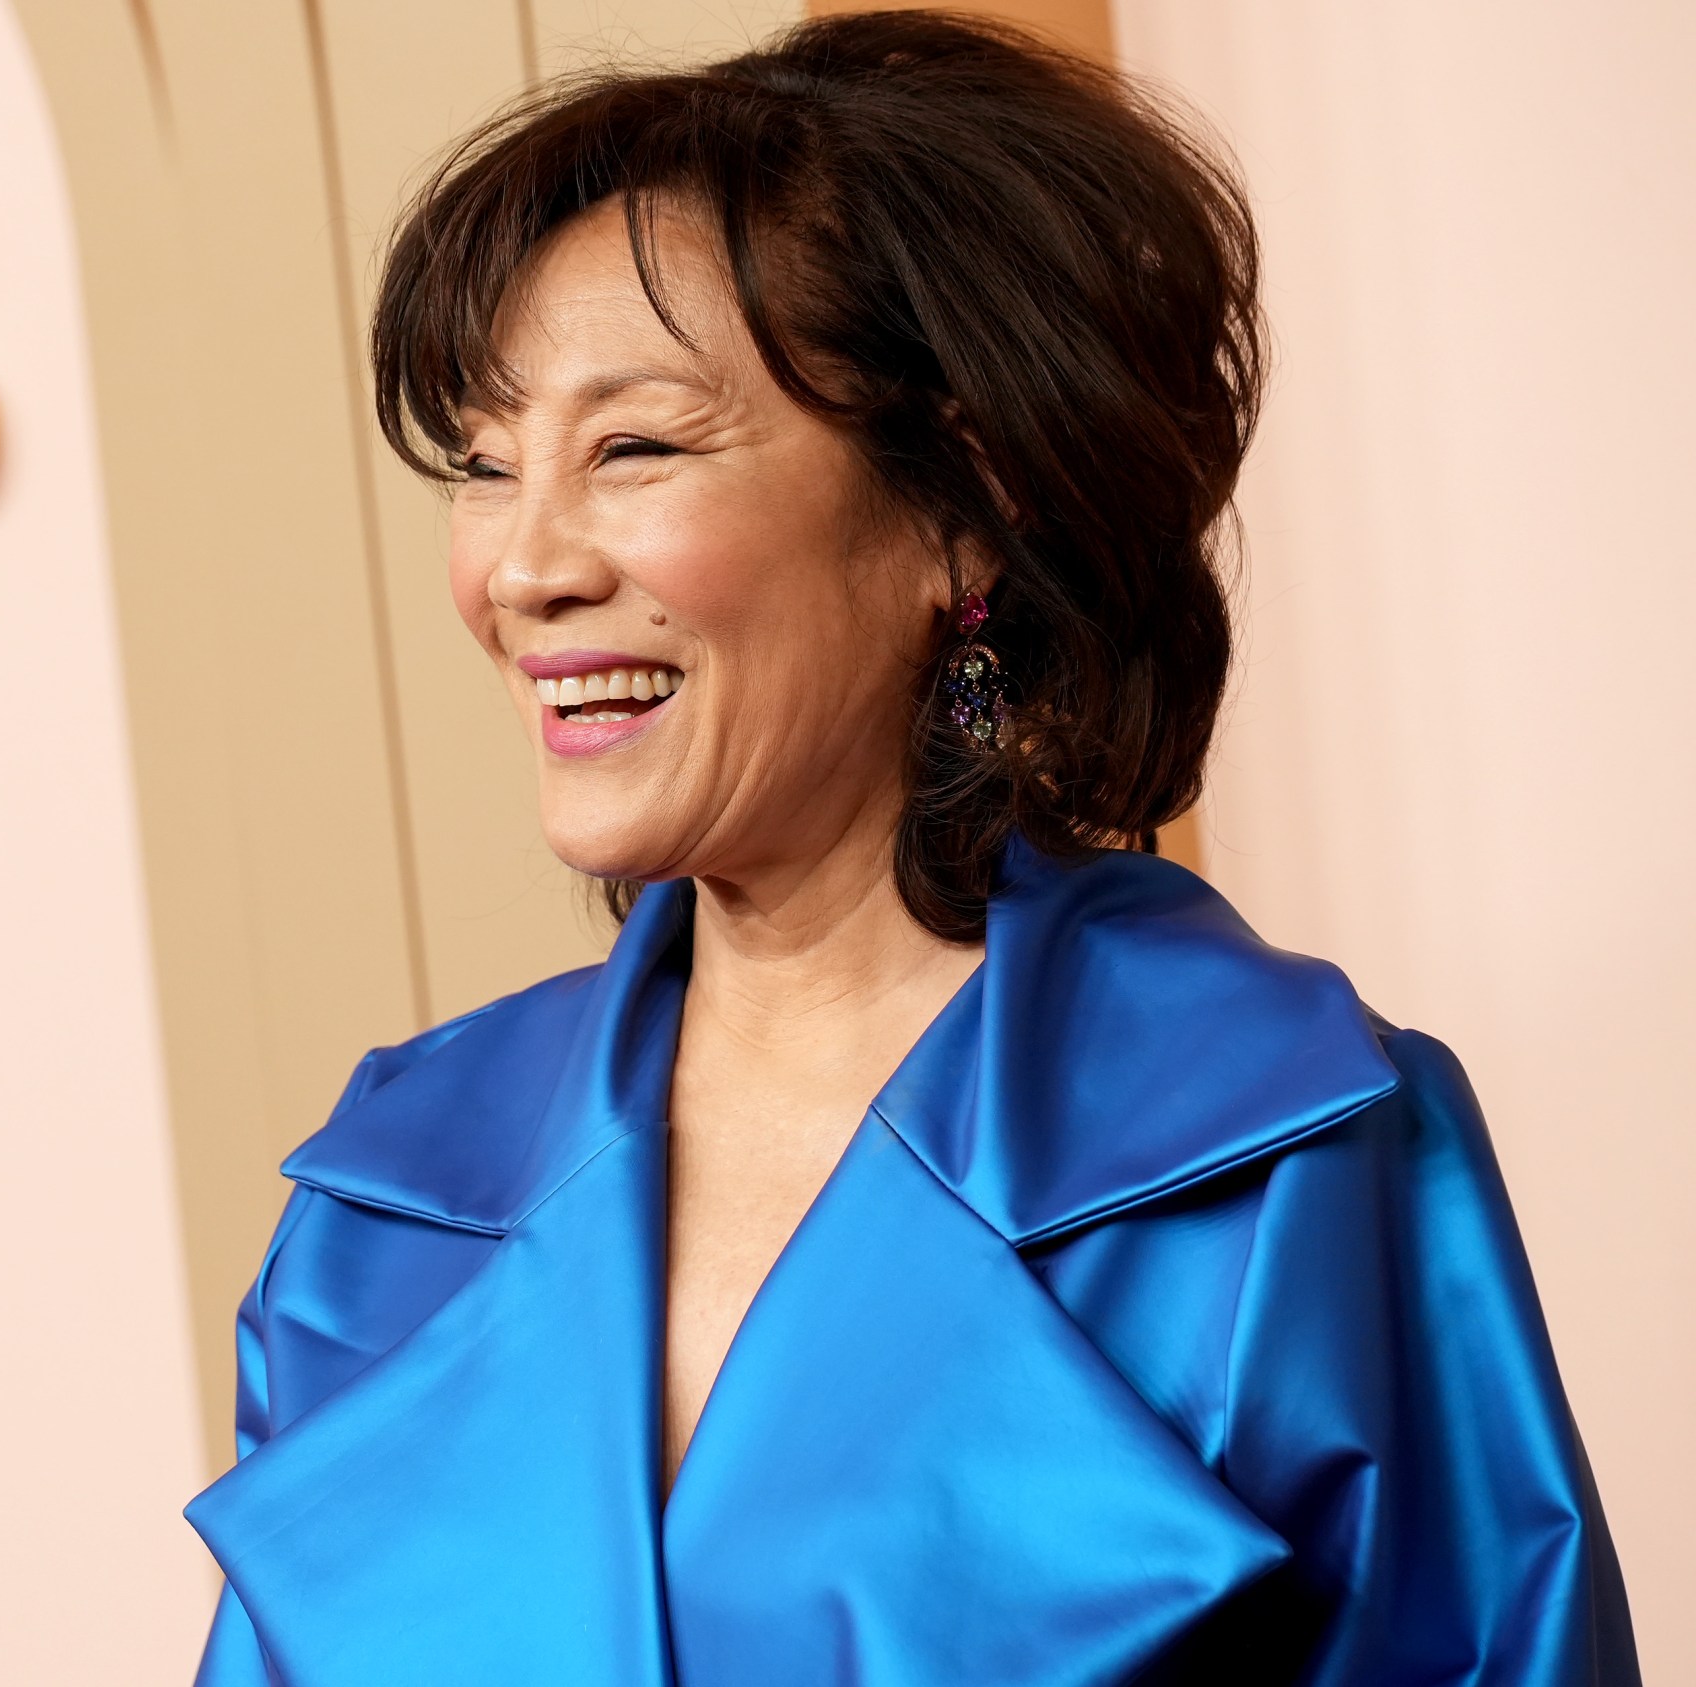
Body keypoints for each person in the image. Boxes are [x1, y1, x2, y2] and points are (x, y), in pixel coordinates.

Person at [182, 13, 1636, 1685]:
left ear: (964, 497)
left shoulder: (1274, 1158)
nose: (525, 566)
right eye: (484, 465)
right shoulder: (386, 1207)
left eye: (633, 446)